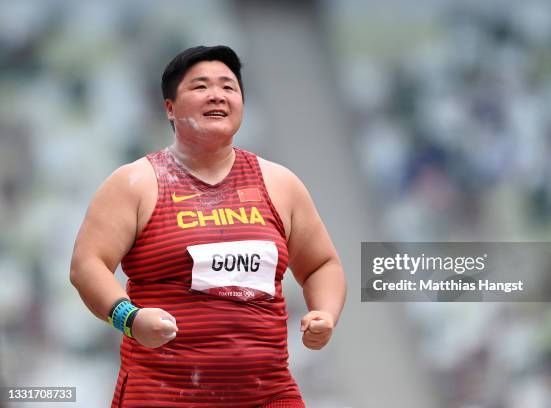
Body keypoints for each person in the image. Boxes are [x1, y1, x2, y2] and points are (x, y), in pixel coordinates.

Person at [70, 45, 346, 407]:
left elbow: (321, 265)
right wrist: (129, 317)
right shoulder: (135, 183)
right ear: (170, 108)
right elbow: (86, 265)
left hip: (268, 394)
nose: (217, 94)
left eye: (229, 87)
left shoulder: (280, 184)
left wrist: (324, 313)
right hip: (161, 395)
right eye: (200, 86)